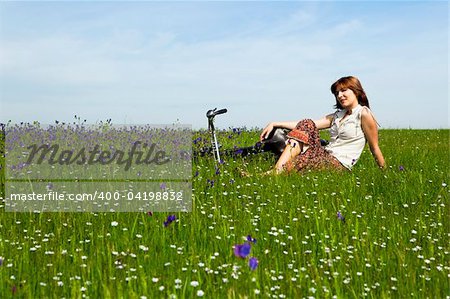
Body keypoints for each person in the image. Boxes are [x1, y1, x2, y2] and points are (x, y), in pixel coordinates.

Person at [260, 76, 385, 174]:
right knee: (306, 123)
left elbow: (374, 147)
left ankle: (273, 173)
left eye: (343, 90)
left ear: (356, 91)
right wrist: (275, 123)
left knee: (303, 156)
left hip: (339, 164)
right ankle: (275, 172)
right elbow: (307, 124)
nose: (339, 96)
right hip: (325, 155)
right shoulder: (337, 115)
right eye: (337, 93)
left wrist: (384, 172)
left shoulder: (363, 113)